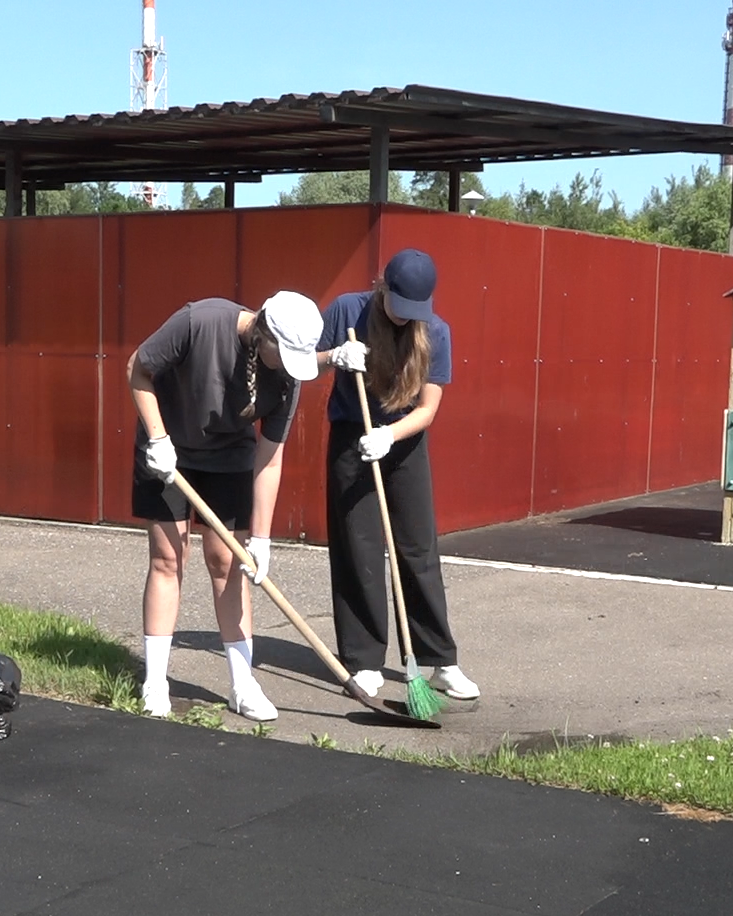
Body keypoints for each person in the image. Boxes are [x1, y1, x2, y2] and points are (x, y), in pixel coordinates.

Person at [130, 291, 325, 720]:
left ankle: (242, 684)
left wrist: (261, 538)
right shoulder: (199, 321)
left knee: (228, 563)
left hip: (229, 457)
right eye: (283, 353)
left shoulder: (287, 380)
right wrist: (158, 438)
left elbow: (269, 459)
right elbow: (137, 370)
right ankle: (155, 680)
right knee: (168, 558)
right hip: (168, 452)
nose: (286, 366)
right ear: (264, 334)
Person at [316, 249, 479, 702]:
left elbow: (427, 409)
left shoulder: (436, 332)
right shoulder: (349, 310)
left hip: (402, 439)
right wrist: (333, 356)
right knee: (359, 548)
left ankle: (440, 659)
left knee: (417, 547)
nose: (407, 320)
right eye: (399, 307)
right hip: (353, 435)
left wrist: (390, 435)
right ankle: (363, 661)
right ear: (382, 288)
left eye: (415, 312)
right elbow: (302, 366)